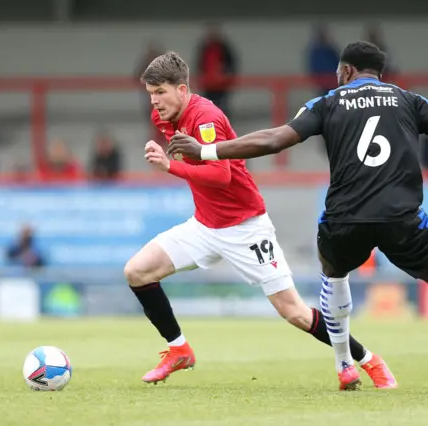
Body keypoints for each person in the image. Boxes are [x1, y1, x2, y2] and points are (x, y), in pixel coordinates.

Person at [167, 41, 428, 396]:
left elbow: (274, 140)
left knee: (335, 276)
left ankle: (344, 365)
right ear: (379, 74)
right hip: (401, 218)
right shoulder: (408, 100)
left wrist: (205, 150)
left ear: (346, 71)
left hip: (343, 221)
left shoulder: (326, 102)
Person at [126, 51, 396, 391]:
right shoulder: (165, 116)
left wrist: (170, 167)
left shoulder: (204, 117)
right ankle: (179, 349)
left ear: (182, 90)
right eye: (151, 94)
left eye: (160, 92)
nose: (155, 102)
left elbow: (221, 175)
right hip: (205, 226)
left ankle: (368, 359)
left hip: (245, 228)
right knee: (137, 271)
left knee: (294, 312)